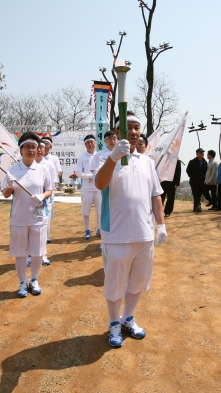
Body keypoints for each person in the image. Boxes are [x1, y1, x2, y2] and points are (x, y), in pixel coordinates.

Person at [94, 113, 167, 348]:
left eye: (137, 128)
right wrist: (114, 158)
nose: (134, 132)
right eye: (128, 128)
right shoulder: (106, 158)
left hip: (143, 234)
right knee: (115, 283)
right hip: (116, 235)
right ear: (117, 133)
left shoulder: (147, 161)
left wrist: (162, 224)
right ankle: (114, 323)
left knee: (138, 282)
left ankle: (128, 318)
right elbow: (99, 184)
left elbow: (156, 195)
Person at [1, 132, 53, 298]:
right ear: (21, 149)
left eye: (34, 147)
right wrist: (9, 184)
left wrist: (42, 196)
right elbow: (5, 194)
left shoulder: (43, 169)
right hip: (19, 217)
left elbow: (50, 190)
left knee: (38, 252)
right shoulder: (12, 170)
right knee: (21, 252)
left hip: (38, 217)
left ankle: (34, 279)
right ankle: (22, 281)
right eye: (28, 147)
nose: (31, 150)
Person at [75, 134, 102, 240]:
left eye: (92, 142)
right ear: (85, 145)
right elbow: (78, 172)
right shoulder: (82, 158)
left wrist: (97, 175)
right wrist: (91, 176)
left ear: (95, 143)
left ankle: (99, 228)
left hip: (99, 188)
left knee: (99, 211)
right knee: (86, 210)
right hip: (86, 188)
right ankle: (87, 229)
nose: (90, 144)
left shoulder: (99, 156)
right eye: (88, 143)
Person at [35, 141, 58, 264]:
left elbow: (53, 184)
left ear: (45, 151)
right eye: (37, 148)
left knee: (43, 227)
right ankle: (30, 255)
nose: (39, 150)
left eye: (41, 148)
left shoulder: (49, 166)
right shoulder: (28, 165)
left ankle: (42, 254)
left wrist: (43, 195)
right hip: (29, 203)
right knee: (30, 229)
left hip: (45, 201)